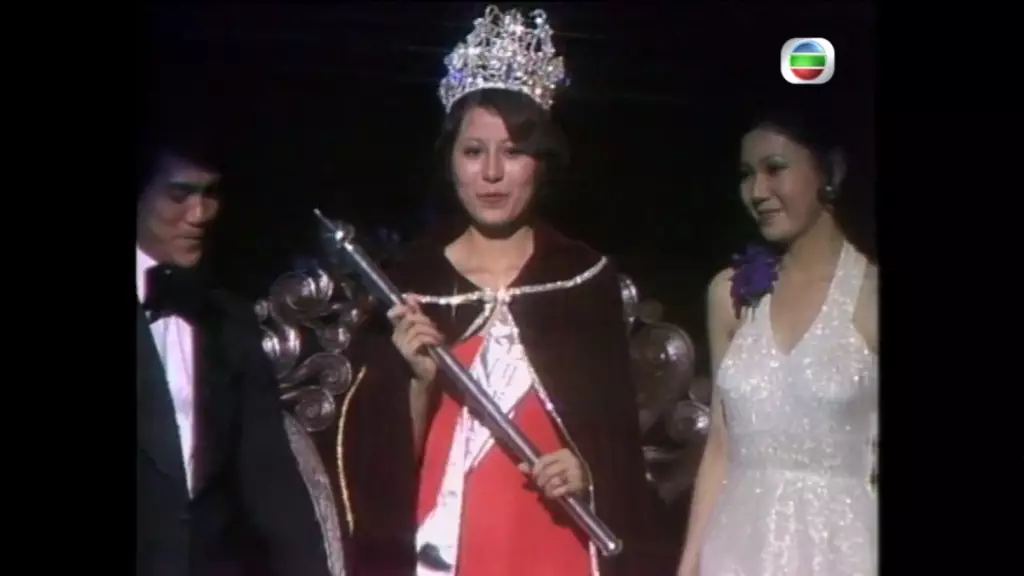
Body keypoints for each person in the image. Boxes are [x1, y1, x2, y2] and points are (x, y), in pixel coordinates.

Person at [329, 6, 653, 576]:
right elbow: (373, 472)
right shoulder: (410, 283)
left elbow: (617, 442)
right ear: (450, 162)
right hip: (445, 539)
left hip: (555, 533)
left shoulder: (583, 277)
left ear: (541, 164)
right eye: (474, 151)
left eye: (514, 151)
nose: (493, 173)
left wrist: (587, 470)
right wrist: (419, 384)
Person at [676, 105, 878, 575]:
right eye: (747, 174)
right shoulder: (730, 294)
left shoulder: (870, 296)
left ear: (831, 172)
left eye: (775, 169)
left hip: (841, 552)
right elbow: (720, 446)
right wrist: (688, 565)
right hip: (736, 551)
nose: (757, 192)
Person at [135, 136, 333, 576]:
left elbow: (270, 480)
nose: (200, 214)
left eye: (210, 194)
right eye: (179, 194)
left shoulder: (229, 322)